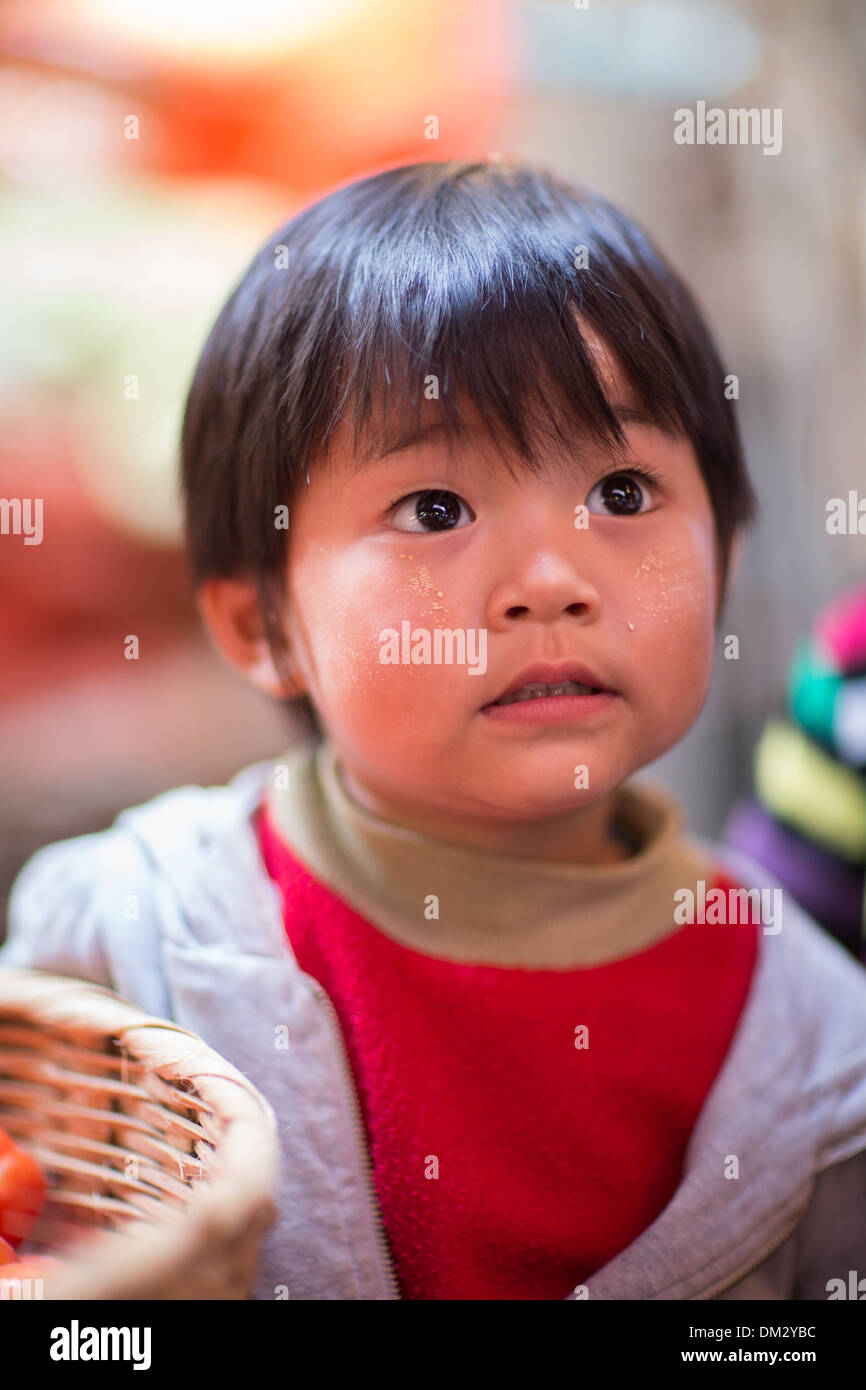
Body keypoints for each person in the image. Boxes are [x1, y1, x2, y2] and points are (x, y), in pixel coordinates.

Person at [4, 159, 866, 1301]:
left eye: (620, 492)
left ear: (725, 557)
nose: (549, 580)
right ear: (259, 622)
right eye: (434, 509)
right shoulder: (127, 933)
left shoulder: (815, 1041)